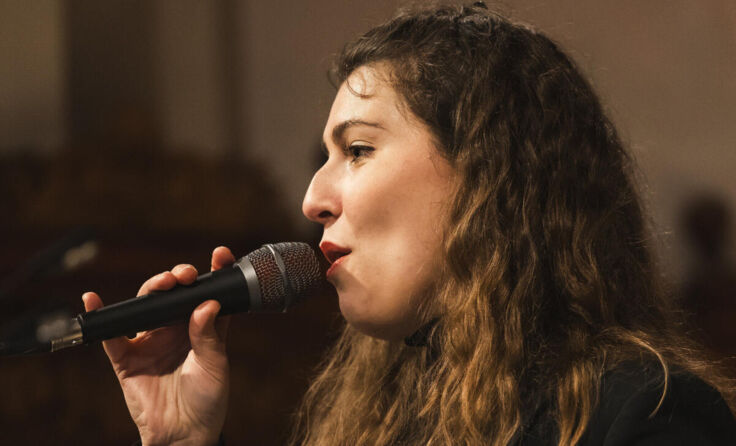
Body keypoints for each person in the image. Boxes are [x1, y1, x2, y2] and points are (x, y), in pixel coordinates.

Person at [83, 3, 736, 445]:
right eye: (324, 159)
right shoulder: (386, 415)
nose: (312, 199)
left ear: (487, 172)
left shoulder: (646, 416)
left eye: (358, 150)